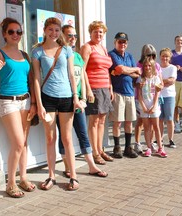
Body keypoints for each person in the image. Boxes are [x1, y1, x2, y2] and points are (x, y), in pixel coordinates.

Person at [0, 17, 36, 198]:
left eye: (19, 31)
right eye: (11, 31)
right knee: (18, 143)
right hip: (8, 101)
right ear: (4, 34)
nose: (16, 35)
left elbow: (30, 81)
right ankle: (11, 183)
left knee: (24, 143)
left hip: (26, 101)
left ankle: (24, 177)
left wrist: (34, 103)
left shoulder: (24, 54)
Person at [32, 17, 82, 191]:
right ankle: (51, 176)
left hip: (66, 97)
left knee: (67, 138)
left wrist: (76, 97)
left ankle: (73, 176)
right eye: (50, 29)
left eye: (56, 30)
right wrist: (39, 104)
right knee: (50, 138)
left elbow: (71, 75)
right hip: (47, 99)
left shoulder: (66, 50)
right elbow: (36, 79)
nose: (53, 33)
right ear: (44, 30)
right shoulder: (37, 52)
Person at [57, 24, 108, 178]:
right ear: (62, 36)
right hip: (64, 99)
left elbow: (83, 74)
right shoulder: (59, 55)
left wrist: (85, 94)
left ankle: (91, 165)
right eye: (69, 35)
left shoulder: (77, 55)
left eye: (75, 36)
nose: (73, 39)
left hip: (78, 99)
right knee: (64, 135)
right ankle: (66, 165)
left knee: (82, 132)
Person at [80, 21, 114, 165]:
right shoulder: (87, 47)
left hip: (105, 87)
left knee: (102, 121)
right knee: (93, 122)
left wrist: (110, 86)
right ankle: (94, 152)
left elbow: (106, 70)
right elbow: (82, 69)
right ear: (90, 32)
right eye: (95, 31)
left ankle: (100, 150)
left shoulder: (103, 49)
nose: (98, 34)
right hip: (93, 88)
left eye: (101, 32)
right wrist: (87, 89)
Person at [108, 32, 141, 158]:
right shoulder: (112, 55)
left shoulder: (129, 56)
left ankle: (128, 147)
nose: (122, 44)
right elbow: (120, 69)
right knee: (118, 122)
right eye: (120, 42)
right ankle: (117, 147)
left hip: (130, 93)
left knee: (129, 122)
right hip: (118, 92)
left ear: (127, 44)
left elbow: (138, 74)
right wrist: (129, 70)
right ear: (115, 42)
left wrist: (125, 70)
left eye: (124, 42)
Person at [134, 44, 163, 153]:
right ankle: (137, 142)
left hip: (153, 98)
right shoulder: (139, 65)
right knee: (140, 121)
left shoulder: (157, 66)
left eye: (153, 55)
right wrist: (139, 85)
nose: (151, 57)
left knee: (151, 123)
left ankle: (149, 144)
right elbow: (135, 83)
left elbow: (161, 83)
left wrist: (159, 87)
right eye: (148, 54)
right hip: (141, 98)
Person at [137, 57, 167, 157]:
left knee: (156, 127)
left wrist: (154, 106)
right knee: (146, 127)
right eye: (145, 66)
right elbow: (139, 94)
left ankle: (160, 147)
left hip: (154, 105)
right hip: (144, 106)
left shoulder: (156, 78)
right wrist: (143, 107)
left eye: (149, 65)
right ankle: (148, 147)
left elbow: (157, 93)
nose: (147, 67)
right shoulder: (141, 79)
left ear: (153, 66)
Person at [159, 48, 177, 148]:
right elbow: (156, 81)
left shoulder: (172, 68)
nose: (164, 58)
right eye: (163, 56)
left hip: (169, 96)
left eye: (167, 56)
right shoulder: (157, 67)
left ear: (170, 58)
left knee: (169, 119)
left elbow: (172, 81)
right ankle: (159, 139)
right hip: (159, 96)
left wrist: (161, 82)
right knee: (160, 119)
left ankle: (171, 139)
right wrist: (164, 82)